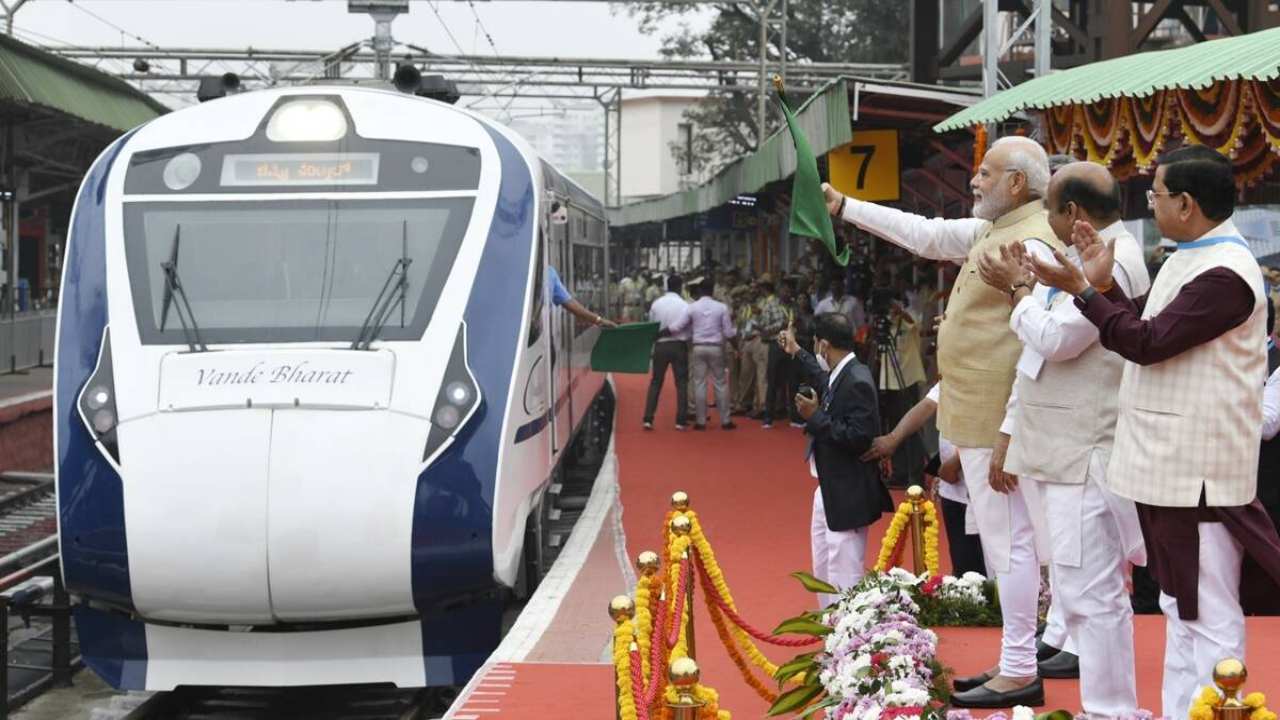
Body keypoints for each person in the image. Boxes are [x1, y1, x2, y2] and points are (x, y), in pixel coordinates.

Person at [1024, 145, 1280, 718]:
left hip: (1200, 472)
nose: (1150, 204)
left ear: (1185, 204)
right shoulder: (1193, 254)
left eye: (1155, 195)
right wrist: (1101, 285)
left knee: (1208, 613)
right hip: (1171, 466)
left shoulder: (1226, 272)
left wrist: (1083, 292)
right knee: (1179, 607)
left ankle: (1218, 709)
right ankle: (1185, 710)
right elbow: (1145, 322)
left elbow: (1146, 342)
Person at [823, 135, 1062, 708]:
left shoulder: (1030, 242)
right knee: (1013, 544)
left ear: (1017, 184)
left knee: (1012, 546)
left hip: (995, 418)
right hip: (979, 412)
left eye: (985, 173)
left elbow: (1037, 348)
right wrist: (846, 208)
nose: (974, 182)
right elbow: (925, 233)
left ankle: (1020, 666)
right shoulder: (995, 231)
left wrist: (1010, 427)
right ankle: (1017, 661)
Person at [976, 161, 1150, 718]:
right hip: (1060, 445)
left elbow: (1056, 341)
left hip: (1085, 450)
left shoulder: (1114, 261)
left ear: (1072, 212)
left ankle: (1110, 711)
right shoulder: (1085, 257)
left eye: (1048, 208)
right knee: (1083, 596)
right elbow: (1036, 359)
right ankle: (1111, 709)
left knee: (1092, 597)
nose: (1044, 220)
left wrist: (1021, 290)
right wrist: (1011, 429)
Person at [781, 314, 893, 607]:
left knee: (844, 572)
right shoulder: (843, 372)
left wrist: (815, 417)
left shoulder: (857, 380)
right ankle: (830, 636)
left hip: (848, 491)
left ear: (825, 345)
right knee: (823, 569)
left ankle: (848, 643)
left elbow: (859, 437)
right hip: (829, 486)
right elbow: (822, 379)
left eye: (816, 345)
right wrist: (797, 352)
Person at [863, 381, 986, 576]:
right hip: (952, 488)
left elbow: (990, 426)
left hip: (982, 486)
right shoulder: (954, 368)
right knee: (963, 567)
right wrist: (893, 438)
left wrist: (956, 463)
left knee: (985, 567)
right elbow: (928, 405)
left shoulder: (987, 371)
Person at [672, 278, 737, 430]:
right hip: (716, 348)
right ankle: (725, 420)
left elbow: (679, 325)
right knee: (720, 383)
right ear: (713, 290)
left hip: (698, 347)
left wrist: (665, 331)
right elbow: (728, 332)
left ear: (700, 291)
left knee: (699, 383)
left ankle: (700, 421)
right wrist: (736, 346)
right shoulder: (722, 307)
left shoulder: (692, 307)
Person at [643, 275, 691, 431]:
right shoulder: (684, 305)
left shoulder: (657, 304)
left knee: (656, 382)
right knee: (681, 383)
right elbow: (688, 328)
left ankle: (648, 419)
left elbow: (651, 325)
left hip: (660, 347)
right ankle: (680, 421)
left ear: (666, 286)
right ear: (680, 286)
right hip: (679, 345)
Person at [755, 275, 793, 429]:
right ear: (779, 290)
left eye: (790, 289)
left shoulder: (793, 306)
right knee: (772, 381)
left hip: (794, 345)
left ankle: (794, 416)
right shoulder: (770, 306)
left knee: (793, 382)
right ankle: (768, 417)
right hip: (776, 345)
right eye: (785, 289)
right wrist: (779, 326)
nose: (788, 292)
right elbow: (762, 328)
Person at [547, 266, 618, 328]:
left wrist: (599, 320)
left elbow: (572, 304)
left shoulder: (550, 273)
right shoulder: (550, 272)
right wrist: (599, 320)